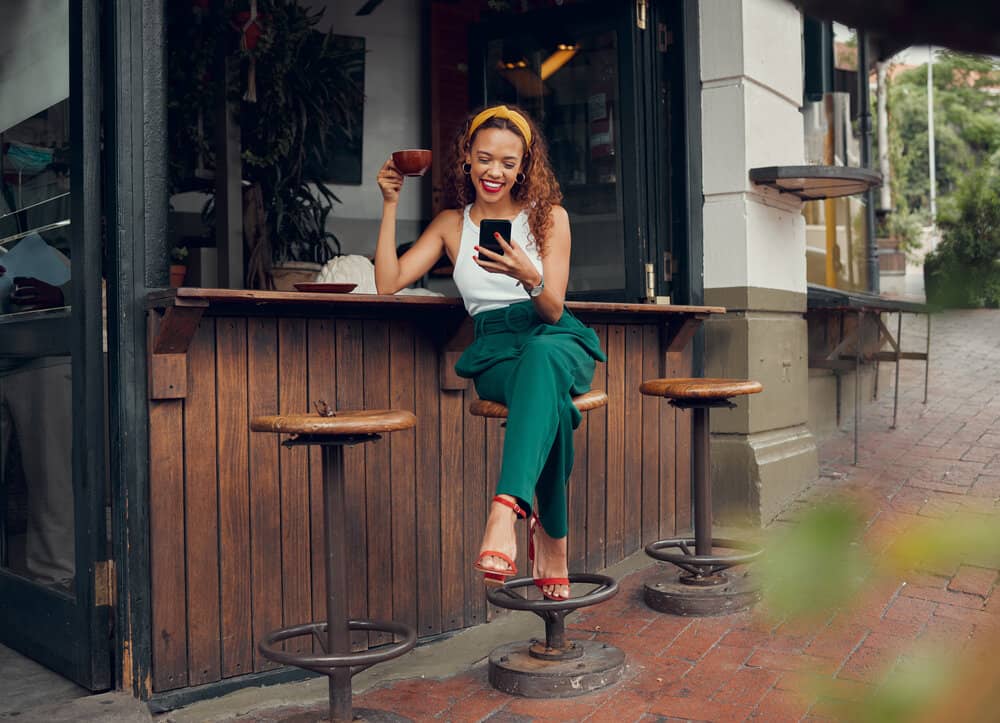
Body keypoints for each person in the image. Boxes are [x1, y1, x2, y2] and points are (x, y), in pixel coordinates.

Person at [374, 105, 605, 601]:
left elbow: (551, 309)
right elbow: (388, 283)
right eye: (484, 159)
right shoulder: (450, 226)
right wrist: (391, 204)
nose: (494, 172)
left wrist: (528, 275)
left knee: (544, 361)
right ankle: (553, 541)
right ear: (467, 159)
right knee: (551, 406)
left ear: (524, 166)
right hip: (496, 352)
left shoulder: (550, 219)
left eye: (506, 161)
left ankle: (505, 509)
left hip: (554, 337)